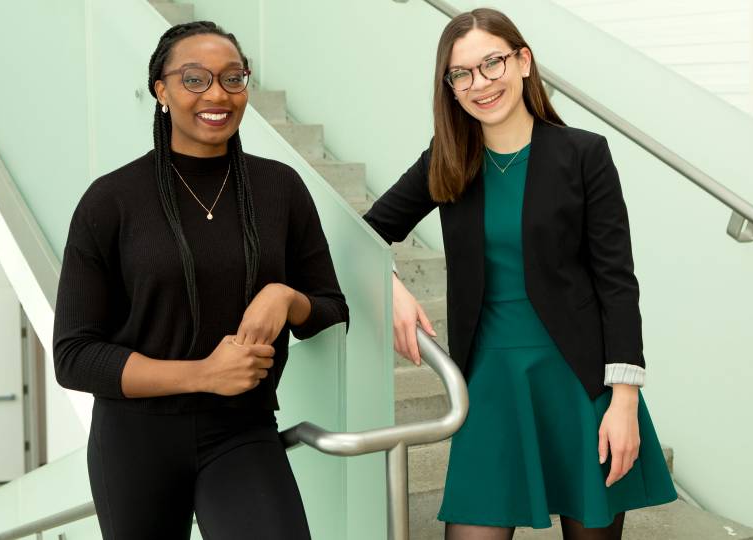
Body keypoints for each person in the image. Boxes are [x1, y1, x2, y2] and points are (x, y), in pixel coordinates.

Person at [363, 8, 676, 540]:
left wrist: (624, 400)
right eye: (462, 73)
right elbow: (365, 232)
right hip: (489, 381)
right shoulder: (446, 159)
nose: (480, 83)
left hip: (582, 382)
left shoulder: (583, 154)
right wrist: (387, 286)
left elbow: (617, 281)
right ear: (451, 88)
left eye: (493, 63)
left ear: (523, 62)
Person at [52, 21, 347, 540]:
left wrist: (284, 297)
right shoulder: (111, 201)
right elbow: (74, 356)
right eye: (195, 79)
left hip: (241, 430)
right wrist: (205, 374)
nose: (217, 94)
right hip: (134, 441)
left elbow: (330, 304)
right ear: (161, 90)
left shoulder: (279, 188)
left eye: (233, 79)